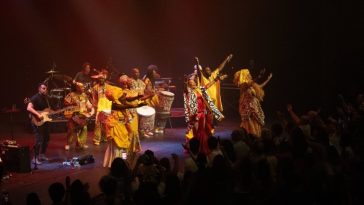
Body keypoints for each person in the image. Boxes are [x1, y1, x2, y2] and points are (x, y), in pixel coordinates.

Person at [183, 72, 225, 154]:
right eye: (191, 81)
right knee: (196, 131)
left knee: (202, 130)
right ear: (188, 83)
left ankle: (202, 147)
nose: (193, 82)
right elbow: (188, 103)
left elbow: (208, 85)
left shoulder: (199, 89)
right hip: (195, 114)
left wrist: (216, 79)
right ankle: (196, 147)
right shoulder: (188, 92)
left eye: (193, 80)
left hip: (202, 113)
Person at [233, 68, 272, 137]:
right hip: (248, 108)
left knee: (255, 121)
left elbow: (259, 86)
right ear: (245, 76)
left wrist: (268, 80)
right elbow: (251, 83)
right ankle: (250, 135)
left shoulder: (251, 86)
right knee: (249, 122)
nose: (250, 75)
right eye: (248, 74)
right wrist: (259, 76)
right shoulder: (243, 85)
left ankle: (255, 135)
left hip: (254, 106)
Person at [64, 84, 95, 150]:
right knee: (71, 130)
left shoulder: (84, 95)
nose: (83, 88)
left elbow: (88, 104)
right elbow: (65, 103)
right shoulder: (71, 95)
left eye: (83, 87)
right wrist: (72, 103)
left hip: (82, 115)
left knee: (84, 129)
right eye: (82, 87)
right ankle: (68, 144)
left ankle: (81, 144)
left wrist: (90, 108)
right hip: (73, 115)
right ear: (77, 88)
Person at [26, 83, 52, 164]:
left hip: (45, 120)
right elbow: (29, 108)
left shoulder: (46, 98)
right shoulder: (35, 97)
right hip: (37, 121)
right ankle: (35, 158)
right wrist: (37, 114)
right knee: (39, 140)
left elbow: (46, 109)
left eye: (46, 89)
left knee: (47, 138)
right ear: (39, 89)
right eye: (43, 88)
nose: (45, 90)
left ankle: (42, 154)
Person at [92, 70, 113, 146]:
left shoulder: (109, 87)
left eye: (102, 79)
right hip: (100, 106)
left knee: (106, 123)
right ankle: (97, 139)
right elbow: (94, 98)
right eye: (100, 79)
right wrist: (95, 107)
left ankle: (105, 137)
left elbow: (111, 96)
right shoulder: (95, 88)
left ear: (105, 79)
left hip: (107, 106)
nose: (101, 80)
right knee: (98, 123)